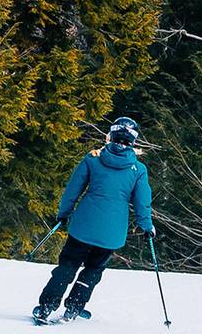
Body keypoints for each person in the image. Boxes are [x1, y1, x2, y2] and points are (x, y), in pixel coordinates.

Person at [31, 116, 154, 324]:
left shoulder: (93, 158)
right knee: (94, 269)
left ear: (111, 135)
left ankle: (46, 307)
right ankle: (74, 307)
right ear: (133, 140)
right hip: (111, 233)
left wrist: (64, 213)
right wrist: (147, 226)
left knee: (68, 264)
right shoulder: (138, 170)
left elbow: (73, 190)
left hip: (83, 226)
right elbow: (142, 203)